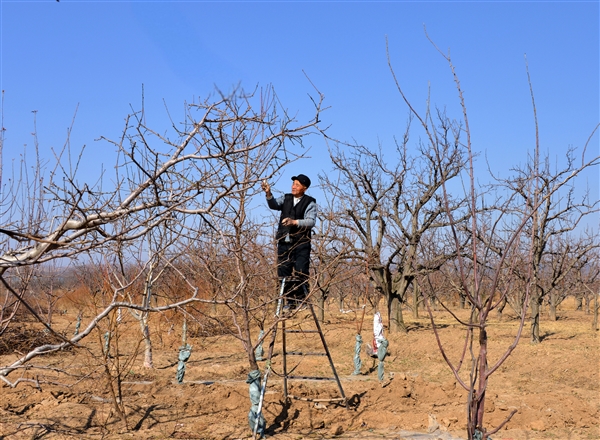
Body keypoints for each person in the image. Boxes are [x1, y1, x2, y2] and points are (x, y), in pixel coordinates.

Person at [261, 174, 317, 309]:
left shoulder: (310, 202)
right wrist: (268, 193)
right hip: (284, 241)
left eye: (297, 185)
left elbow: (311, 221)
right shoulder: (286, 198)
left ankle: (302, 300)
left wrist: (294, 222)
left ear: (304, 188)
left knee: (301, 270)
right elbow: (274, 205)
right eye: (293, 184)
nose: (293, 187)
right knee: (283, 271)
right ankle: (290, 301)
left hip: (301, 242)